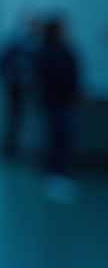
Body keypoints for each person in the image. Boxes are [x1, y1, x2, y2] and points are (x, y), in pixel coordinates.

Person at [36, 17, 80, 203]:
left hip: (58, 102)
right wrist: (73, 94)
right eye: (64, 29)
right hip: (57, 102)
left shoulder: (56, 50)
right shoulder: (53, 52)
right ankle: (54, 178)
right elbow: (61, 78)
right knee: (60, 138)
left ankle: (57, 176)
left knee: (60, 137)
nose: (68, 32)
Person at [0, 15, 41, 157]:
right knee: (14, 117)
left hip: (32, 87)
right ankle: (9, 148)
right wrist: (12, 78)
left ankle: (23, 148)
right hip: (15, 87)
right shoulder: (15, 42)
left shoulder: (38, 43)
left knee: (32, 118)